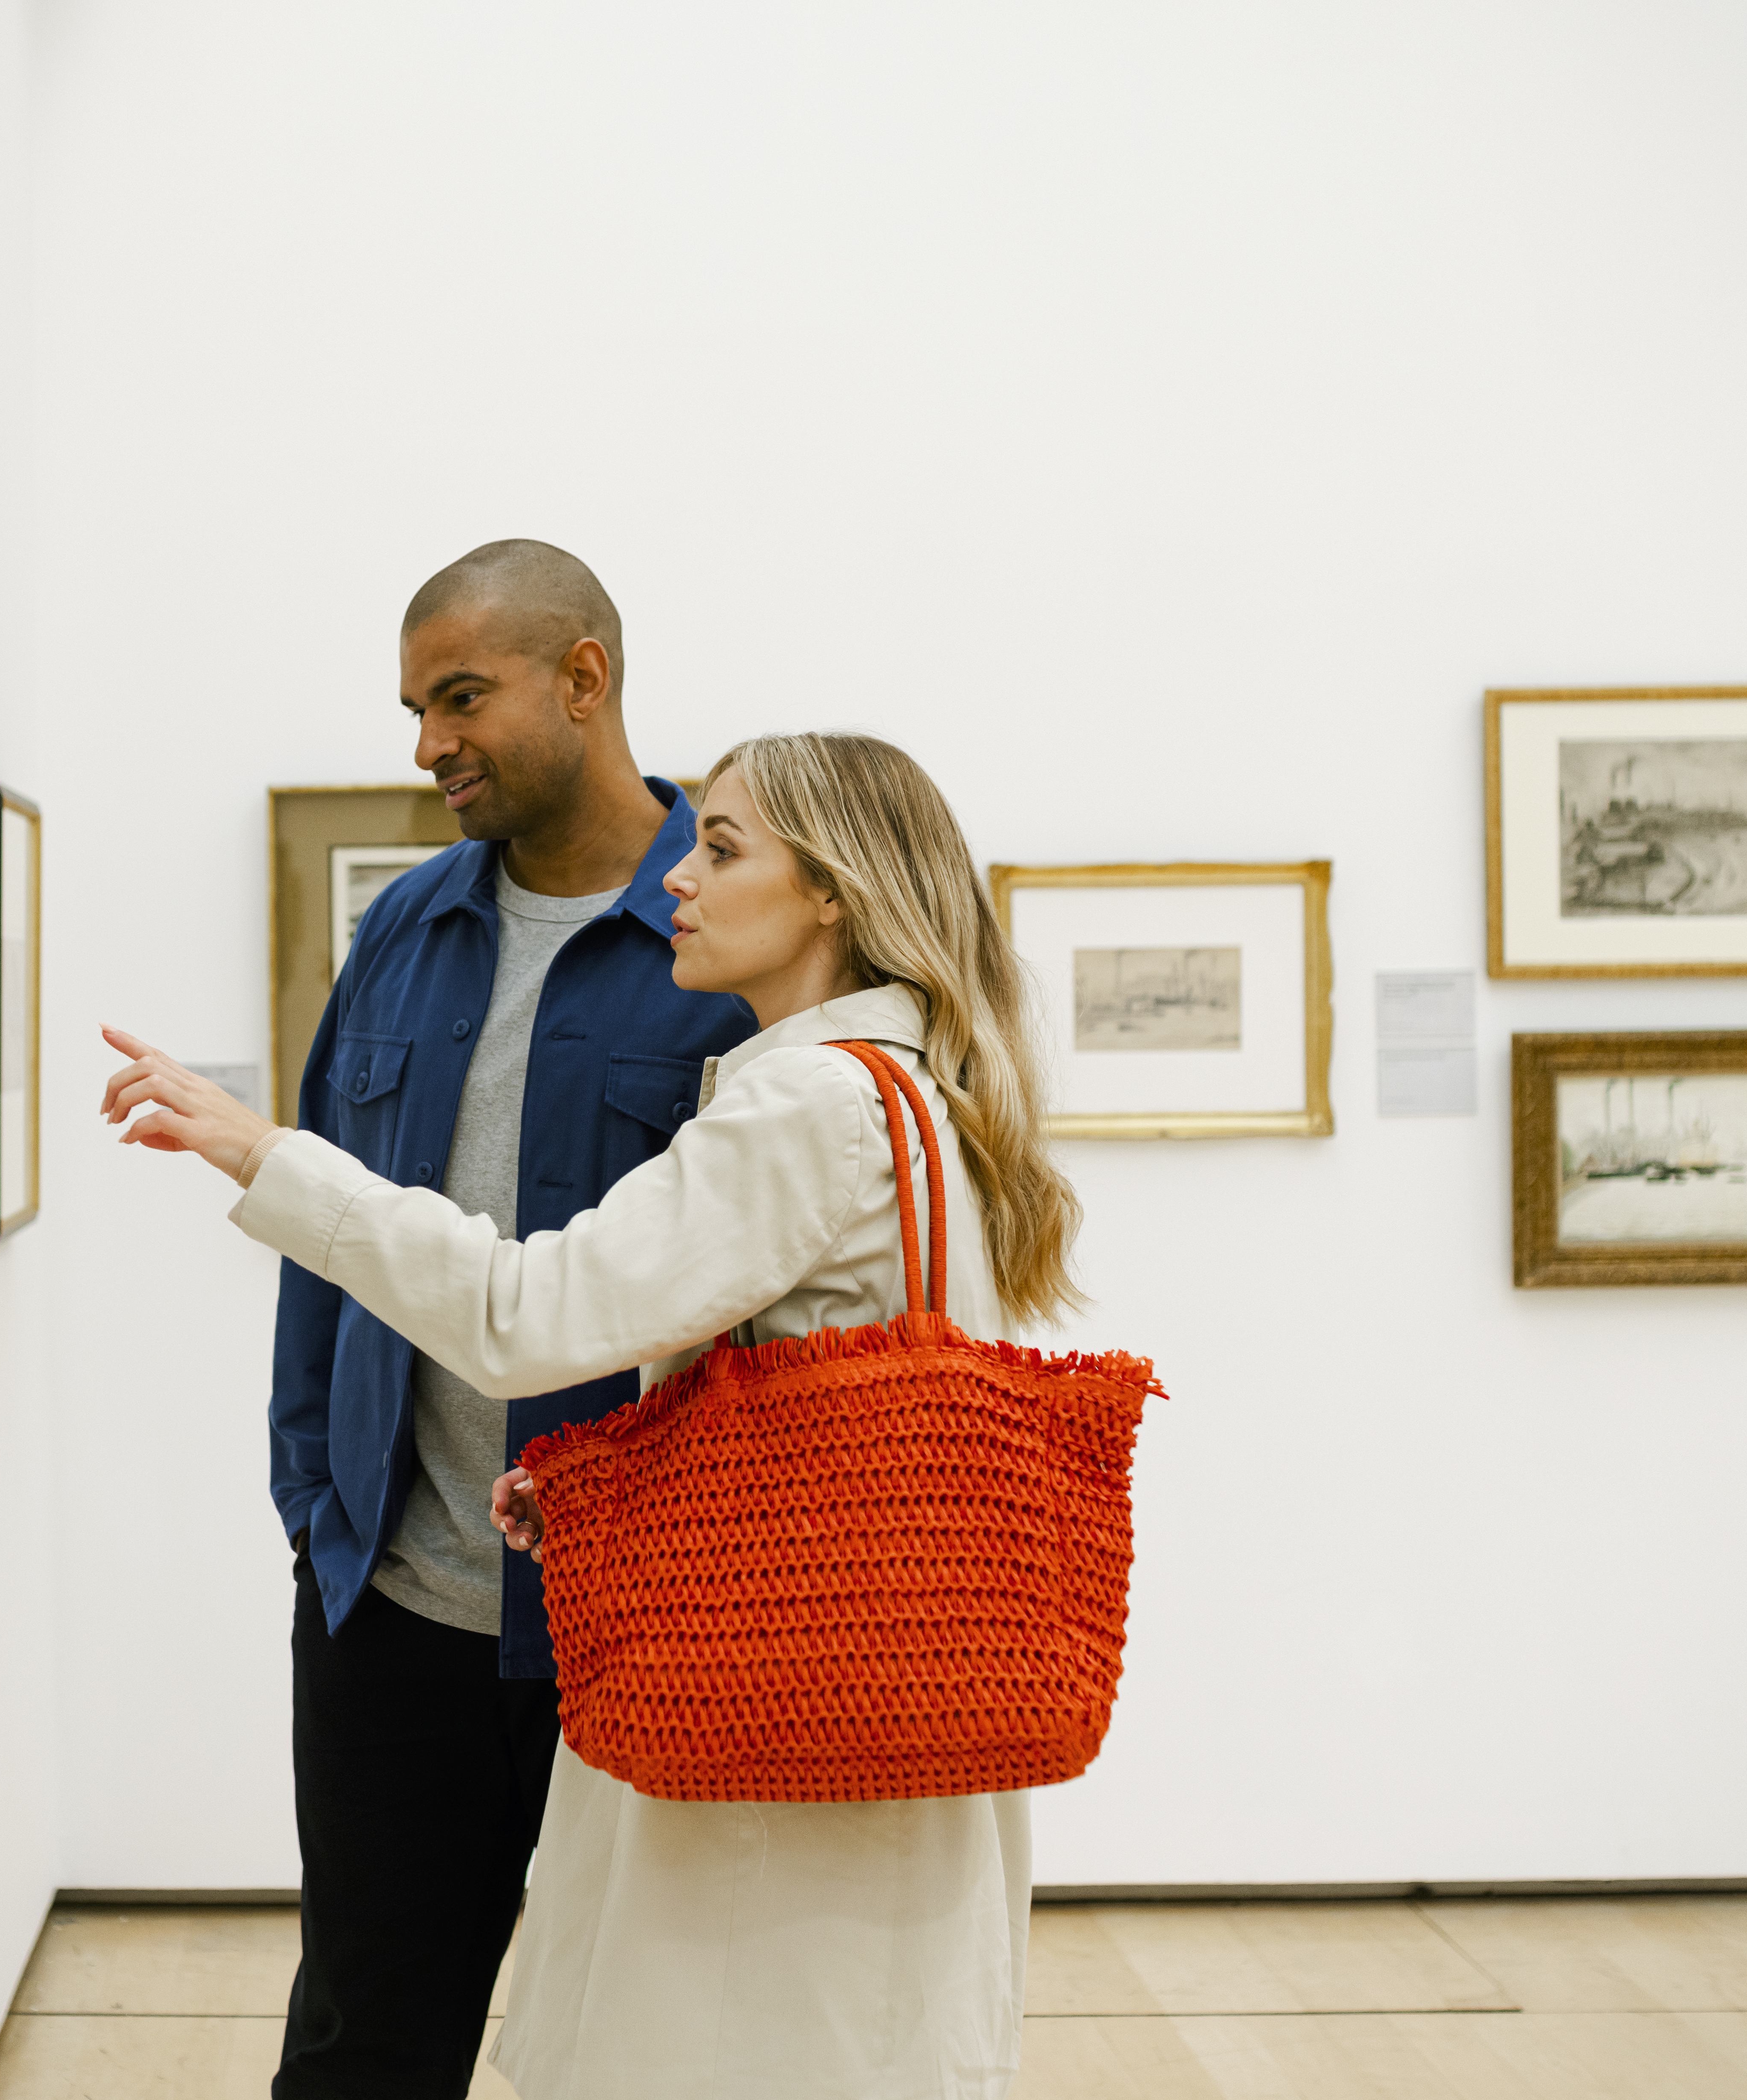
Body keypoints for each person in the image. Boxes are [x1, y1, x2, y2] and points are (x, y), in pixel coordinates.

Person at [103, 730, 1086, 2100]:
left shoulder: (805, 1106)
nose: (678, 877)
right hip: (856, 1716)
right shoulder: (907, 1096)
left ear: (833, 896)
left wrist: (263, 1154)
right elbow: (802, 1379)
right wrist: (618, 1472)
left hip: (770, 1748)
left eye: (725, 848)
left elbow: (526, 1316)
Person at [214, 539, 759, 2098]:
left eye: (462, 696)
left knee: (636, 2052)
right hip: (394, 1607)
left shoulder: (726, 943)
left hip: (640, 1617)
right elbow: (327, 1234)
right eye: (412, 706)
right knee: (361, 2043)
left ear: (583, 677)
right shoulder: (406, 930)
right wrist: (315, 1497)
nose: (427, 743)